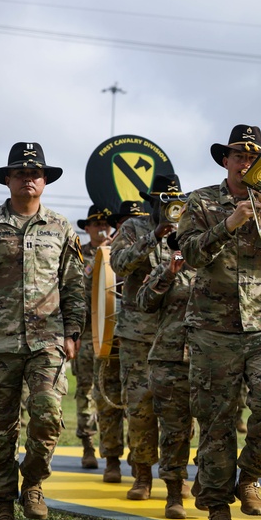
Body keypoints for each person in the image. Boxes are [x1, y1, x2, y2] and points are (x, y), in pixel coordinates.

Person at [178, 124, 261, 520]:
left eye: (254, 158)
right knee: (216, 419)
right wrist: (229, 222)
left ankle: (249, 476)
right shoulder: (199, 202)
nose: (246, 163)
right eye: (239, 156)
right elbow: (191, 254)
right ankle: (217, 507)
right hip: (213, 328)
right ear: (225, 160)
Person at [0, 142, 86, 520]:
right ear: (8, 180)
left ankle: (32, 483)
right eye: (20, 173)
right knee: (0, 429)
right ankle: (2, 506)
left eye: (35, 174)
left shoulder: (62, 228)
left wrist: (73, 332)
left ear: (44, 181)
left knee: (47, 416)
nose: (28, 178)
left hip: (47, 341)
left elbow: (74, 286)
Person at [109, 174, 178, 501]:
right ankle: (142, 474)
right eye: (164, 201)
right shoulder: (133, 229)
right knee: (140, 407)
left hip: (176, 333)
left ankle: (174, 477)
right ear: (152, 202)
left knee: (177, 410)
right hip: (138, 334)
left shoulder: (190, 229)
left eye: (175, 202)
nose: (169, 208)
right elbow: (119, 264)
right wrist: (153, 237)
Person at [136, 190, 195, 520]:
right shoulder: (165, 268)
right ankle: (174, 494)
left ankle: (209, 484)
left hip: (211, 359)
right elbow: (144, 302)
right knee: (174, 431)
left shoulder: (218, 272)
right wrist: (169, 274)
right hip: (170, 361)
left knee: (217, 428)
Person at [94, 201, 146, 483]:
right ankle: (111, 459)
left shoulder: (153, 246)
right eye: (126, 220)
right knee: (107, 401)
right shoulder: (105, 252)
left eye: (137, 219)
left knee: (139, 403)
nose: (131, 225)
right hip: (105, 336)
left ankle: (141, 462)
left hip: (138, 337)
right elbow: (91, 285)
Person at [74, 205, 112, 469]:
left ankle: (114, 450)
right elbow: (77, 290)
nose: (102, 227)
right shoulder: (79, 255)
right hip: (87, 335)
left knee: (110, 392)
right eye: (96, 223)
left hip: (113, 334)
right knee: (86, 392)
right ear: (86, 228)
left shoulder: (117, 251)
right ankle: (88, 445)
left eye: (105, 223)